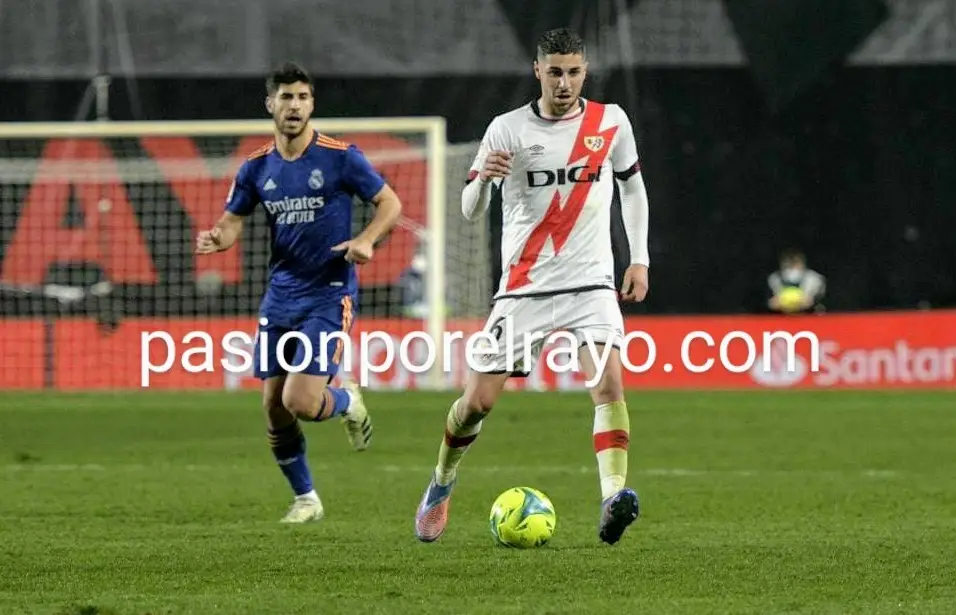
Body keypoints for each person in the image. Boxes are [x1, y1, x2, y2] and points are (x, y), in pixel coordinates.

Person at [413, 27, 650, 545]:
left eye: (574, 72)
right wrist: (483, 179)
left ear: (584, 72)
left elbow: (632, 188)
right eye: (555, 72)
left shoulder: (610, 121)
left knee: (608, 385)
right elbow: (469, 209)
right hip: (524, 288)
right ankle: (442, 481)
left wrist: (639, 259)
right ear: (537, 71)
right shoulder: (507, 129)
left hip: (591, 283)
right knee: (477, 402)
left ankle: (612, 498)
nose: (564, 83)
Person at [195, 62, 403, 523]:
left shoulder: (340, 157)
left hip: (329, 294)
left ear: (312, 104)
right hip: (281, 296)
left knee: (301, 402)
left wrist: (367, 240)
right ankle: (306, 498)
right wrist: (217, 238)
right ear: (270, 104)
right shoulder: (256, 167)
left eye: (303, 97)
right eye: (286, 97)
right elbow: (231, 222)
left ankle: (346, 399)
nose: (294, 106)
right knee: (274, 408)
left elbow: (390, 203)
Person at [767, 249, 826, 314]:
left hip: (809, 315)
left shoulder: (814, 278)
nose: (792, 266)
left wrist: (812, 301)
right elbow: (771, 303)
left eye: (796, 262)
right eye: (789, 263)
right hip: (781, 315)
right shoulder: (774, 278)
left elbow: (817, 302)